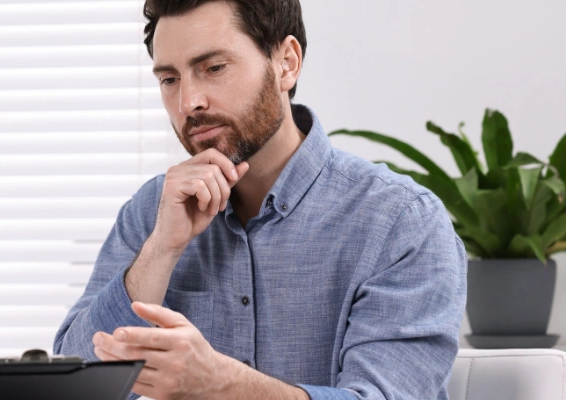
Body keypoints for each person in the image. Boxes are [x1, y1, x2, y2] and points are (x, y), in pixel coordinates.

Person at [53, 1, 467, 399]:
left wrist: (223, 388)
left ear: (286, 62)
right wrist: (162, 249)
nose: (188, 103)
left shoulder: (401, 221)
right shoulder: (153, 211)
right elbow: (71, 386)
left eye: (213, 68)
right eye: (169, 79)